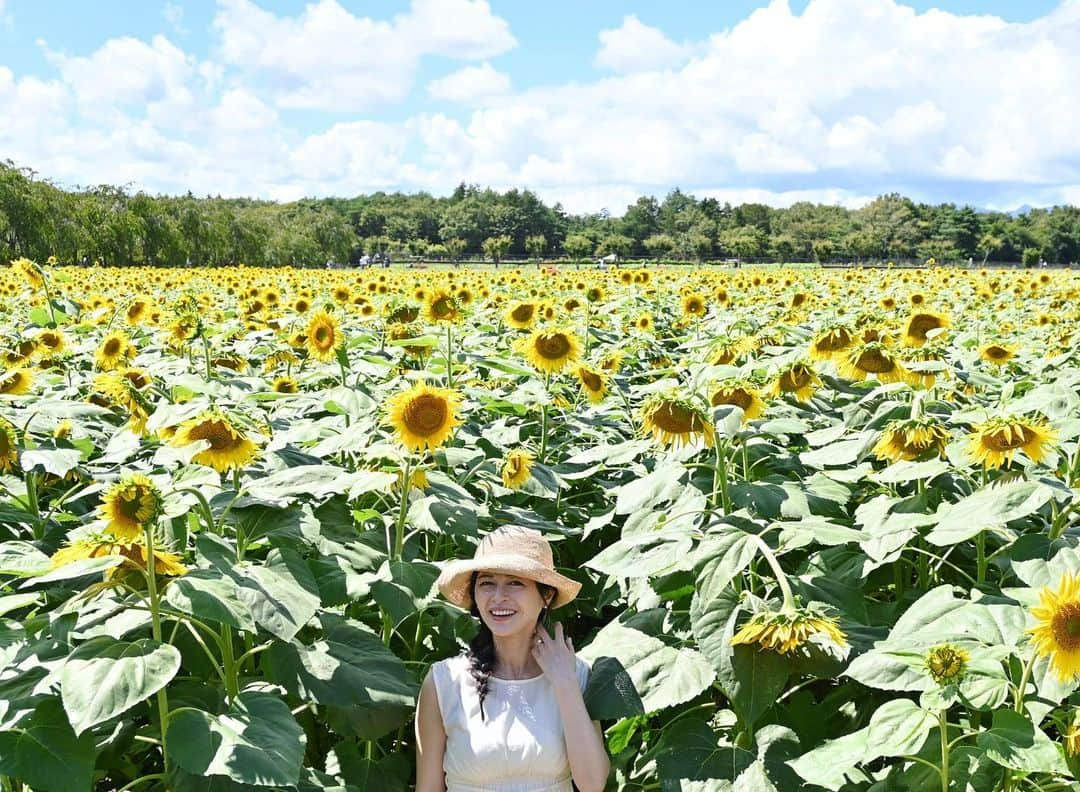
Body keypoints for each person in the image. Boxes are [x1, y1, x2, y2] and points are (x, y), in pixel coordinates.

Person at [415, 526, 610, 792]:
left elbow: (592, 784)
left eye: (515, 582)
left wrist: (565, 685)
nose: (498, 597)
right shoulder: (444, 682)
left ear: (547, 595)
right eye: (487, 583)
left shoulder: (577, 675)